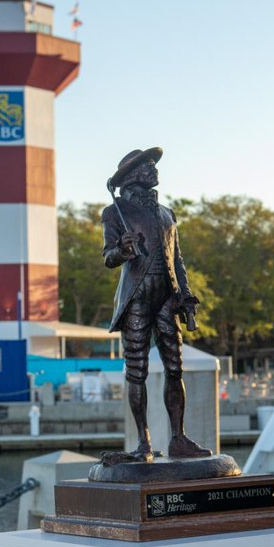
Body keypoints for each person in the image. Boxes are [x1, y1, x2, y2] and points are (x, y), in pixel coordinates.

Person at [101, 147, 212, 464]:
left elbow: (177, 260)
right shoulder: (115, 212)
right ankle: (143, 442)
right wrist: (122, 250)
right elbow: (109, 257)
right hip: (137, 298)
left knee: (175, 369)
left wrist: (186, 293)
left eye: (153, 166)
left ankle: (178, 438)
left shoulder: (167, 214)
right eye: (147, 166)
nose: (154, 170)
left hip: (168, 298)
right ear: (133, 176)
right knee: (137, 372)